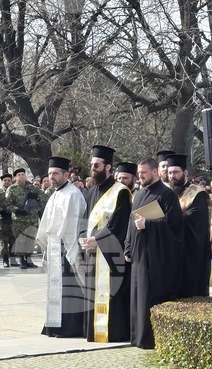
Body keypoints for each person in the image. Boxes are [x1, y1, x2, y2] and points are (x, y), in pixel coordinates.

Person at [124, 158, 183, 349]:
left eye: (144, 173)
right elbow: (130, 223)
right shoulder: (139, 194)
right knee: (137, 297)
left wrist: (148, 223)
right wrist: (127, 246)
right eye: (139, 173)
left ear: (155, 172)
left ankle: (150, 339)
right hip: (139, 255)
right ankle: (138, 337)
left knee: (150, 296)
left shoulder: (167, 195)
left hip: (157, 258)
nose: (140, 176)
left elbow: (174, 227)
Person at [79, 145, 133, 344]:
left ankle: (114, 332)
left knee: (112, 293)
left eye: (97, 165)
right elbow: (85, 220)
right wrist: (83, 237)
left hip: (111, 254)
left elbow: (120, 224)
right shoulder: (91, 192)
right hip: (92, 254)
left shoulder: (120, 192)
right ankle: (94, 331)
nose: (92, 168)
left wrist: (97, 240)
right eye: (92, 165)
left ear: (108, 167)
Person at [35, 157, 88, 338]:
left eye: (56, 173)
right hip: (55, 248)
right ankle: (54, 325)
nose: (52, 177)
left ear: (66, 174)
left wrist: (65, 246)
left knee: (69, 290)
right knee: (55, 289)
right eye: (50, 174)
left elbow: (72, 226)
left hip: (67, 248)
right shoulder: (55, 193)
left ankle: (70, 327)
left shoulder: (73, 194)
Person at [166, 154, 212, 297]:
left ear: (185, 173)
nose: (172, 176)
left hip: (190, 252)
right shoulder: (166, 192)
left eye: (175, 172)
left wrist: (166, 220)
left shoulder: (197, 194)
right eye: (169, 173)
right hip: (170, 251)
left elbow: (194, 218)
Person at [5, 168, 43, 268]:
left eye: (23, 174)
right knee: (20, 240)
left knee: (30, 239)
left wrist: (37, 197)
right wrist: (17, 210)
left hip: (32, 219)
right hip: (19, 219)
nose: (21, 176)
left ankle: (29, 259)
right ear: (15, 177)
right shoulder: (12, 189)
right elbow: (7, 204)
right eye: (19, 175)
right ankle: (21, 260)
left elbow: (43, 197)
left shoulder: (32, 188)